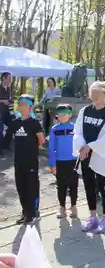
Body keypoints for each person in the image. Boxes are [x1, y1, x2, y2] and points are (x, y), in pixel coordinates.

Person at [73, 81, 105, 233]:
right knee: (88, 185)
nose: (94, 95)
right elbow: (77, 130)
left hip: (100, 155)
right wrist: (83, 146)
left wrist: (90, 146)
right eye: (92, 92)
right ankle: (93, 217)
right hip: (85, 155)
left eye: (98, 92)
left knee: (102, 187)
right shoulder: (85, 111)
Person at [6, 95, 45, 224]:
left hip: (31, 161)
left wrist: (32, 149)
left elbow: (41, 140)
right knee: (21, 187)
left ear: (29, 106)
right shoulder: (15, 123)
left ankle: (33, 213)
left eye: (23, 104)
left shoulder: (34, 123)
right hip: (18, 161)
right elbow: (9, 138)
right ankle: (25, 212)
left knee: (31, 186)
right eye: (19, 104)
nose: (20, 106)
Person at [48, 104, 79, 219]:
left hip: (73, 161)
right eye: (59, 114)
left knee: (74, 184)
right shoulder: (55, 129)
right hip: (60, 161)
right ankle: (62, 207)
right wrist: (52, 163)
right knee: (61, 185)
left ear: (70, 115)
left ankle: (74, 206)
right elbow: (51, 148)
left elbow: (80, 144)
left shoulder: (75, 128)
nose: (61, 116)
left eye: (64, 114)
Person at [0, 72, 13, 155]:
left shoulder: (9, 88)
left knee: (12, 125)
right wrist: (2, 101)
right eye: (9, 78)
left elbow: (9, 99)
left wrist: (10, 102)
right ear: (4, 78)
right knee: (0, 130)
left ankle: (6, 145)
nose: (10, 80)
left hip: (7, 111)